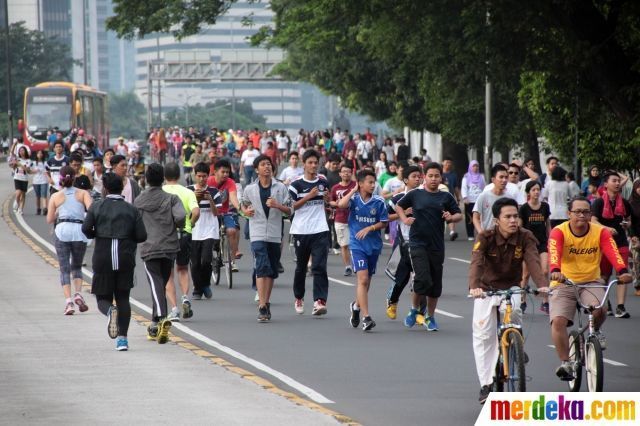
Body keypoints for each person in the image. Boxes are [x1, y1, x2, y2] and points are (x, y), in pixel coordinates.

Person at [469, 197, 549, 404]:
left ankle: (516, 344)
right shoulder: (485, 237)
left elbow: (532, 260)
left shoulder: (526, 236)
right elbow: (476, 262)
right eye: (508, 217)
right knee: (483, 336)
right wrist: (474, 287)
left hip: (512, 287)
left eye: (516, 216)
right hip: (486, 289)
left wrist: (542, 284)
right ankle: (486, 384)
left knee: (515, 313)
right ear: (497, 220)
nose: (513, 220)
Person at [548, 196, 632, 380]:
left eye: (586, 212)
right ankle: (566, 363)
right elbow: (554, 253)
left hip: (591, 281)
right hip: (564, 282)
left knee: (601, 309)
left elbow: (612, 252)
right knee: (558, 321)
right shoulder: (558, 231)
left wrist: (623, 270)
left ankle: (593, 331)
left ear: (590, 214)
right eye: (577, 211)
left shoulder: (600, 232)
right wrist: (555, 270)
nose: (581, 215)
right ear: (569, 214)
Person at [81, 173, 147, 351]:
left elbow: (86, 228)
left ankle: (110, 311)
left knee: (103, 297)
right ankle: (123, 340)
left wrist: (97, 234)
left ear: (105, 188)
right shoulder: (131, 209)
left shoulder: (96, 206)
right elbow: (142, 235)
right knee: (123, 297)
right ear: (121, 187)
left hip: (103, 255)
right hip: (125, 256)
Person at [395, 162, 462, 331]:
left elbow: (459, 214)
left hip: (437, 245)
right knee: (422, 278)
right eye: (430, 176)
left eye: (436, 176)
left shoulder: (445, 197)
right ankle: (413, 310)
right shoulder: (415, 194)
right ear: (425, 177)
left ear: (441, 178)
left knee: (435, 285)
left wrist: (450, 217)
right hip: (417, 243)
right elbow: (399, 206)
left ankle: (430, 317)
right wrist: (404, 219)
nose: (433, 179)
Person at [134, 163, 186, 344]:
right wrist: (175, 225)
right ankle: (155, 323)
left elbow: (135, 222)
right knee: (162, 282)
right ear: (162, 178)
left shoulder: (139, 200)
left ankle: (162, 318)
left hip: (149, 248)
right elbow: (180, 217)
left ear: (146, 179)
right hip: (170, 246)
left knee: (156, 284)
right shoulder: (171, 198)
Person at [241, 155, 293, 322]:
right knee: (261, 265)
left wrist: (278, 205)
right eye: (263, 165)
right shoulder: (250, 188)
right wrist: (245, 212)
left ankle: (266, 302)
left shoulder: (280, 187)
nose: (267, 167)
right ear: (257, 169)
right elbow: (243, 204)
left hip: (274, 234)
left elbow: (290, 210)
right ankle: (262, 306)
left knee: (270, 270)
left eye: (269, 164)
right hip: (257, 233)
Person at [337, 169, 388, 331]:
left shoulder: (379, 201)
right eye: (370, 182)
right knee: (363, 279)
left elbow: (384, 222)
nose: (373, 185)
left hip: (373, 246)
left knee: (367, 282)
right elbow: (341, 205)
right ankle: (366, 317)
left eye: (374, 182)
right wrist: (352, 190)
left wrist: (370, 228)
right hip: (357, 245)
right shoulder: (354, 199)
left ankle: (356, 306)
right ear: (361, 184)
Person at [46, 166, 93, 315]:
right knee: (77, 266)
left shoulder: (55, 196)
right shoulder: (83, 193)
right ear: (75, 178)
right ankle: (78, 293)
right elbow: (92, 212)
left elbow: (49, 219)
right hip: (79, 231)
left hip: (62, 230)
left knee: (64, 268)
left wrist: (60, 211)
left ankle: (68, 303)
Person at [289, 149, 331, 316]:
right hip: (301, 230)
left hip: (320, 228)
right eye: (310, 163)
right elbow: (292, 207)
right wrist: (309, 196)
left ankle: (319, 301)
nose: (314, 166)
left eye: (316, 163)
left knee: (319, 266)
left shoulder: (323, 181)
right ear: (304, 164)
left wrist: (326, 199)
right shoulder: (296, 184)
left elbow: (326, 203)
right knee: (301, 267)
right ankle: (299, 297)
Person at [590, 171, 633, 318]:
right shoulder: (599, 202)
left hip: (621, 241)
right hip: (604, 243)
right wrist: (606, 229)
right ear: (606, 184)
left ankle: (620, 306)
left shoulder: (624, 202)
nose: (616, 183)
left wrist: (627, 225)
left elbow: (629, 220)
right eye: (613, 181)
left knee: (623, 272)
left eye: (618, 181)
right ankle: (605, 302)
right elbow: (593, 221)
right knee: (604, 274)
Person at [163, 162, 200, 321]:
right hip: (184, 233)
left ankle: (174, 308)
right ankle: (185, 296)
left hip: (166, 235)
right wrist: (190, 224)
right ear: (178, 176)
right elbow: (196, 212)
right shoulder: (187, 192)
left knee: (168, 273)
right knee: (183, 268)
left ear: (164, 176)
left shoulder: (161, 191)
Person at [385, 165, 422, 319]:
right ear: (406, 180)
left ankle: (420, 311)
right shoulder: (397, 199)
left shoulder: (425, 196)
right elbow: (385, 217)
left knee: (421, 278)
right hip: (404, 243)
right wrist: (402, 214)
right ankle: (392, 300)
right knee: (402, 278)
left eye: (419, 176)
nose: (418, 179)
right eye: (414, 176)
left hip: (422, 243)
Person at [187, 162, 221, 300]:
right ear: (195, 176)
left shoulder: (213, 191)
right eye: (199, 176)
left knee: (206, 260)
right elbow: (185, 210)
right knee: (195, 263)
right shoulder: (189, 190)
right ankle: (198, 288)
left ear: (208, 176)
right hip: (194, 229)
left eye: (204, 176)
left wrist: (210, 199)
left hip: (210, 229)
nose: (201, 179)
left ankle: (205, 284)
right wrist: (196, 198)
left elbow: (216, 212)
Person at [519, 180, 551, 313]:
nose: (536, 192)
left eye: (538, 189)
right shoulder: (524, 208)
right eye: (533, 190)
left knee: (544, 271)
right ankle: (522, 300)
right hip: (528, 245)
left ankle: (545, 301)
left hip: (542, 243)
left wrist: (551, 239)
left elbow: (548, 224)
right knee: (525, 275)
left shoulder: (545, 206)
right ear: (528, 193)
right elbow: (520, 227)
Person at [207, 159, 243, 268]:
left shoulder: (230, 182)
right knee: (211, 238)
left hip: (225, 213)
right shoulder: (208, 182)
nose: (226, 174)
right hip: (210, 214)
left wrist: (241, 209)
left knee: (232, 231)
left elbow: (233, 198)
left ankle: (232, 261)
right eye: (223, 172)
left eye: (227, 172)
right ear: (215, 172)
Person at [330, 163, 357, 276]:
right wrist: (335, 204)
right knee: (344, 245)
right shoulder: (335, 188)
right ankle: (348, 267)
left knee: (355, 244)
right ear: (340, 174)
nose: (346, 173)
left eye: (348, 171)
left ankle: (357, 264)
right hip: (340, 219)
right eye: (344, 171)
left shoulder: (356, 186)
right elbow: (330, 201)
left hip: (355, 219)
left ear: (351, 173)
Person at [473, 164, 511, 233]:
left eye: (506, 177)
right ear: (493, 179)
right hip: (487, 235)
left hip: (504, 235)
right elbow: (475, 217)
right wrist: (481, 232)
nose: (504, 180)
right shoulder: (484, 196)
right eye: (501, 177)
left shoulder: (509, 198)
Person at [461, 160, 485, 240]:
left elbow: (484, 188)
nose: (475, 168)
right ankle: (470, 234)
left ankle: (480, 232)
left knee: (480, 217)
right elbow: (464, 188)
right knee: (470, 218)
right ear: (470, 167)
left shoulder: (482, 176)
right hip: (469, 201)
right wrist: (465, 197)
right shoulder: (466, 177)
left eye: (477, 166)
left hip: (479, 200)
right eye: (473, 166)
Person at [442, 157, 461, 241]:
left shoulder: (453, 175)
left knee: (450, 215)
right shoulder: (439, 174)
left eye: (450, 163)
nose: (448, 164)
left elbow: (456, 187)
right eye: (446, 162)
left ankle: (452, 232)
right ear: (443, 163)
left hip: (450, 198)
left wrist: (458, 198)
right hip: (439, 198)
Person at [11, 146, 32, 214]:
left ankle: (21, 209)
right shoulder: (17, 159)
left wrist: (20, 164)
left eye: (23, 150)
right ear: (19, 152)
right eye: (20, 151)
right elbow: (13, 167)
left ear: (25, 151)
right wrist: (14, 164)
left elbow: (27, 170)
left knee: (23, 195)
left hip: (24, 179)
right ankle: (17, 203)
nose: (21, 152)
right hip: (17, 178)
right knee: (18, 193)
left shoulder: (28, 161)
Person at [628, 179, 640, 296]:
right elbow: (629, 221)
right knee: (636, 262)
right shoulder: (631, 203)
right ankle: (637, 286)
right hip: (636, 236)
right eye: (639, 187)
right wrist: (633, 236)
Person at [32, 150, 49, 215]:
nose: (40, 154)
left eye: (41, 153)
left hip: (44, 180)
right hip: (36, 181)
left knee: (44, 195)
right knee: (37, 196)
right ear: (36, 155)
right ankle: (38, 208)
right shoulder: (33, 163)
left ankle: (45, 208)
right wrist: (34, 171)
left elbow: (48, 170)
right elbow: (29, 171)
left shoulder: (45, 163)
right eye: (38, 153)